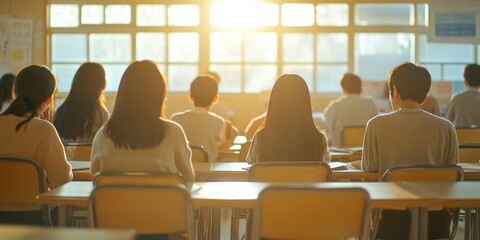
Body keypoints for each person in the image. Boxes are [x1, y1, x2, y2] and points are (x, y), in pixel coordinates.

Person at [361, 62, 458, 239]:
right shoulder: (447, 127)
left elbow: (368, 172)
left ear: (395, 91)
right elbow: (452, 175)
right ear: (424, 97)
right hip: (436, 219)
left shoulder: (376, 125)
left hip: (389, 218)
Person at [91, 60, 194, 185]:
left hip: (116, 204)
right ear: (160, 93)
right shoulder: (173, 132)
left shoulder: (103, 135)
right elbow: (189, 177)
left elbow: (96, 179)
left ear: (123, 93)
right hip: (161, 204)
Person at [0, 65, 72, 225]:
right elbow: (62, 181)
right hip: (35, 218)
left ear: (15, 92)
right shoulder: (44, 130)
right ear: (49, 99)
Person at [246, 74, 330, 163]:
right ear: (306, 104)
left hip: (273, 177)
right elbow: (325, 167)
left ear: (274, 103)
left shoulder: (260, 138)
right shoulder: (319, 139)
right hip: (305, 177)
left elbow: (251, 168)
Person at [171, 75, 237, 162]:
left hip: (180, 172)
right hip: (208, 172)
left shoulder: (175, 120)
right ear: (215, 98)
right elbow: (225, 143)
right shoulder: (219, 122)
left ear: (190, 97)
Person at [54, 62, 109, 144]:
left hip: (63, 156)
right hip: (89, 156)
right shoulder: (101, 115)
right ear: (103, 84)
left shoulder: (60, 112)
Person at [323, 73, 378, 146]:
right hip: (365, 151)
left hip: (341, 153)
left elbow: (328, 132)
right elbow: (376, 129)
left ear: (343, 89)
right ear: (360, 88)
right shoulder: (370, 103)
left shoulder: (334, 106)